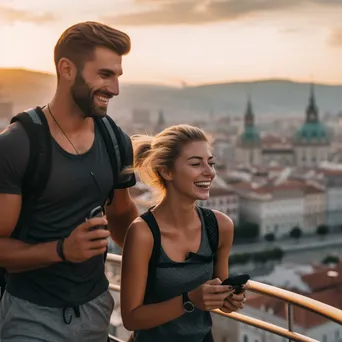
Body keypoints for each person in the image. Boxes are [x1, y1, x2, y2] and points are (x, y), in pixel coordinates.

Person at [0, 22, 139, 341]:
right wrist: (62, 250)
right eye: (105, 74)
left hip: (96, 310)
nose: (115, 88)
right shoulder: (17, 145)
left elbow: (122, 215)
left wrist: (164, 262)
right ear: (66, 69)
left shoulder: (115, 140)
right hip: (30, 315)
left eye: (118, 76)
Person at [120, 125, 247, 342]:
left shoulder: (220, 226)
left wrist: (230, 299)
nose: (210, 172)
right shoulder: (143, 233)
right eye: (196, 164)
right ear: (166, 171)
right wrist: (190, 301)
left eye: (211, 162)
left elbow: (217, 293)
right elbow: (131, 318)